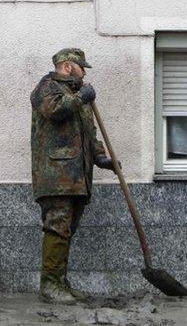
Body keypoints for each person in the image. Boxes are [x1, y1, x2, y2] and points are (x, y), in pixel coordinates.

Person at [30, 48, 120, 304]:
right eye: (82, 67)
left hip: (79, 176)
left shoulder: (77, 95)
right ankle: (50, 286)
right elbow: (54, 110)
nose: (85, 72)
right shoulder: (47, 88)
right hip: (56, 175)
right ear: (68, 66)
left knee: (67, 230)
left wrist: (101, 157)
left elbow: (89, 132)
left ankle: (61, 282)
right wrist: (81, 97)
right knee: (57, 229)